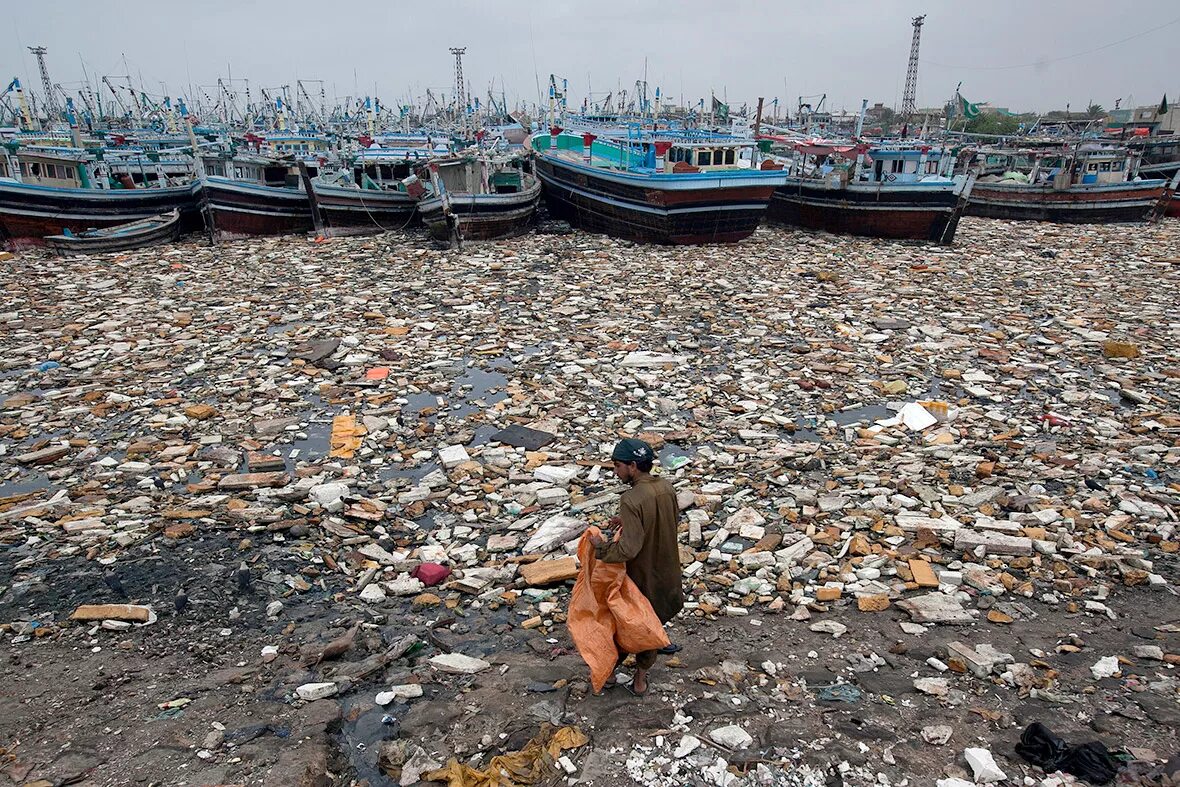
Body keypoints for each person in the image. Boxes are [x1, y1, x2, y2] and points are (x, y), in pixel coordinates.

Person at [589, 438, 684, 696]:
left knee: (628, 624)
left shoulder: (631, 498)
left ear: (632, 466)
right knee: (652, 624)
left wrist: (599, 547)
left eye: (617, 466)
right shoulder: (666, 487)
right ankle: (640, 680)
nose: (615, 472)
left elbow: (627, 550)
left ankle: (609, 675)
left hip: (643, 576)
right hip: (667, 570)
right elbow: (669, 519)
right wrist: (628, 521)